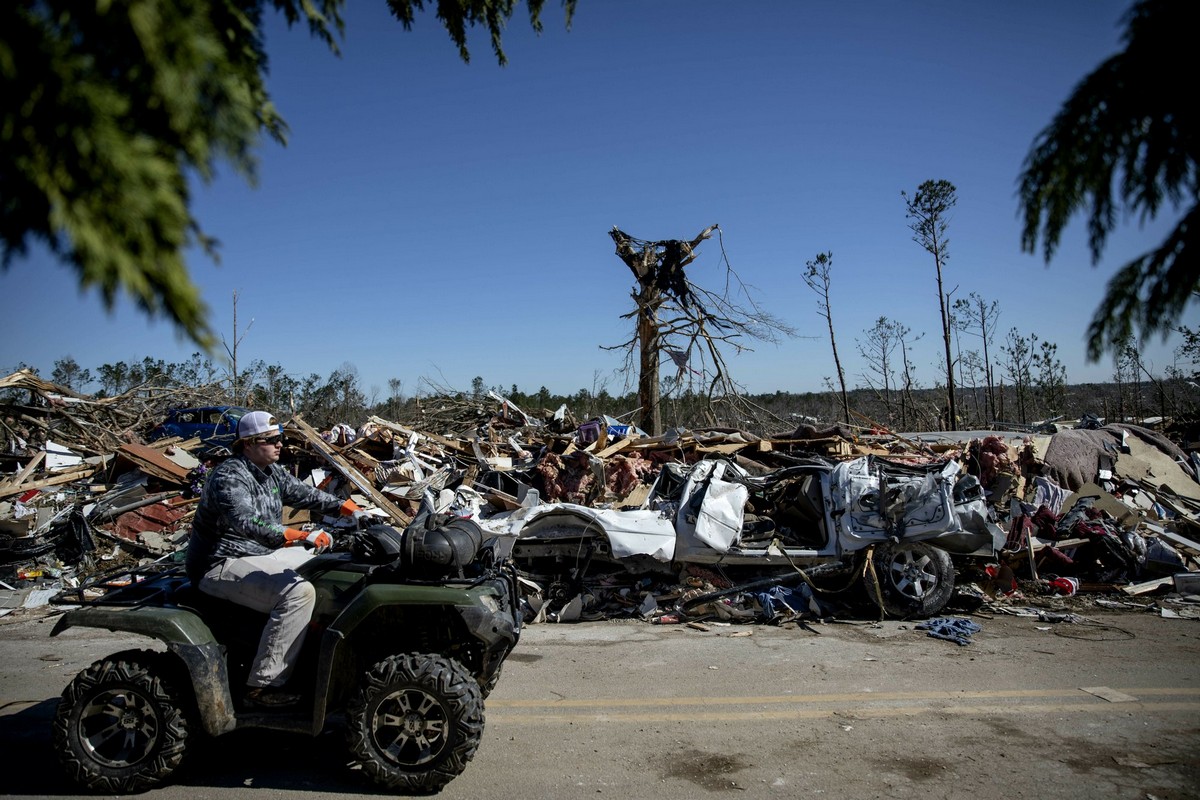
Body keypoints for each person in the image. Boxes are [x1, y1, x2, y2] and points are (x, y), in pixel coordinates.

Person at [186, 410, 364, 707]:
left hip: (261, 553)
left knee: (327, 567)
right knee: (298, 593)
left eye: (279, 438)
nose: (279, 444)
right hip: (220, 561)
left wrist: (350, 509)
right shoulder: (229, 477)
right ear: (248, 443)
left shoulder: (271, 471)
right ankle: (263, 686)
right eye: (271, 440)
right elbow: (247, 522)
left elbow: (306, 494)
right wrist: (299, 535)